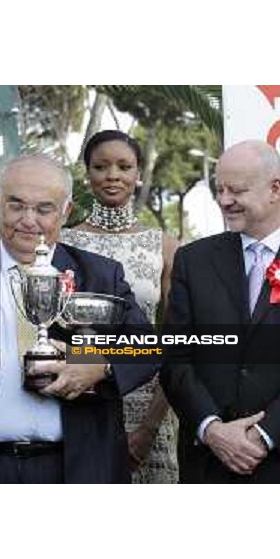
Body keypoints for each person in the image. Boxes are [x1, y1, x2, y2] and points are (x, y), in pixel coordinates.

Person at [0, 154, 157, 483]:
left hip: (74, 469)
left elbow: (149, 346)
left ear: (65, 211)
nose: (28, 220)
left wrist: (98, 364)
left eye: (43, 209)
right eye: (16, 205)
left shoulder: (99, 274)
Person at [161, 139, 280, 483]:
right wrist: (211, 429)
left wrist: (265, 435)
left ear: (275, 189)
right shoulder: (192, 260)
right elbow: (174, 357)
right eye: (219, 189)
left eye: (236, 190)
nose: (224, 200)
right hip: (208, 464)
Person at [60, 130, 179, 483]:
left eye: (124, 166)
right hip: (81, 397)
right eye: (101, 166)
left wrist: (150, 427)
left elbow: (175, 341)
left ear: (138, 173)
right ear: (87, 173)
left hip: (149, 403)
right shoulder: (62, 243)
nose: (113, 175)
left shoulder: (165, 247)